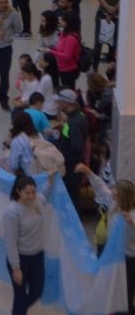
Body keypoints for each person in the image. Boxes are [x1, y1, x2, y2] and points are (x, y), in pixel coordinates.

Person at [75, 162, 135, 312]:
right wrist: (88, 172)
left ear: (123, 196)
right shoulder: (114, 204)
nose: (112, 190)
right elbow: (100, 187)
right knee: (112, 286)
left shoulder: (132, 214)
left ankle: (125, 309)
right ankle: (115, 308)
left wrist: (132, 222)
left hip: (129, 259)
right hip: (113, 256)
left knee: (126, 289)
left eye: (116, 190)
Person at [3, 175, 53, 315]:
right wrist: (16, 268)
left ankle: (17, 312)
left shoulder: (36, 200)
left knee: (36, 292)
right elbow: (10, 242)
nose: (31, 196)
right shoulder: (12, 212)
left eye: (33, 192)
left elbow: (43, 196)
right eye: (27, 193)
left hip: (37, 256)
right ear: (19, 192)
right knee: (20, 296)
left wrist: (50, 181)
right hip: (20, 259)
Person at [55, 89, 89, 210]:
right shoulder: (79, 115)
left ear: (66, 103)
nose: (57, 104)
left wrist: (63, 158)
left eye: (59, 102)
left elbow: (77, 147)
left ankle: (74, 224)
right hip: (74, 164)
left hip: (71, 167)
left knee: (72, 198)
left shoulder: (73, 123)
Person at [46, 11, 82, 88]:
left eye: (62, 20)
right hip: (62, 68)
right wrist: (53, 49)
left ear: (68, 22)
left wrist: (51, 51)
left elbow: (67, 56)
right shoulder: (65, 33)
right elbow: (60, 47)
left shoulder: (71, 38)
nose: (60, 21)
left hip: (69, 70)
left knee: (67, 91)